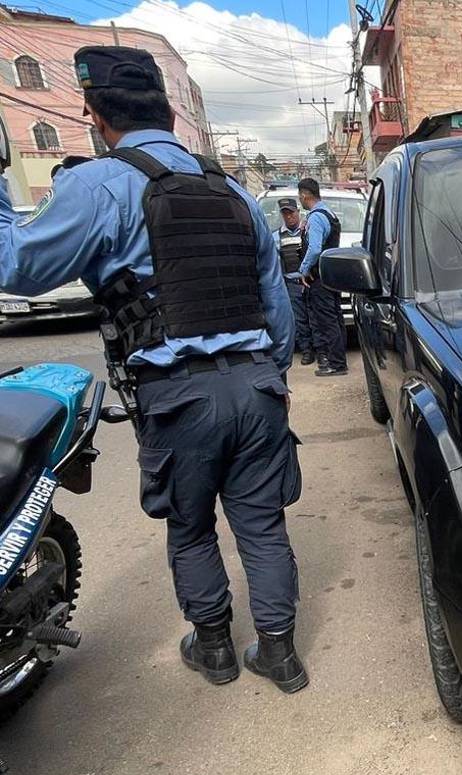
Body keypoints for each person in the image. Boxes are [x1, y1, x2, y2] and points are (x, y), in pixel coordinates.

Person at [0, 46, 309, 693]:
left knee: (192, 528)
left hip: (180, 397)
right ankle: (279, 654)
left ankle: (217, 650)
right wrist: (265, 381)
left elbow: (17, 268)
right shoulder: (232, 192)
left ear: (93, 115)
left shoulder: (96, 186)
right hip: (257, 386)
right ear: (170, 112)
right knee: (262, 524)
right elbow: (279, 312)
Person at [297, 177, 348, 376]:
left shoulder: (316, 217)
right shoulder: (329, 213)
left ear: (304, 194)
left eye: (299, 195)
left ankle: (336, 364)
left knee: (327, 320)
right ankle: (339, 360)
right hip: (331, 274)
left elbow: (315, 248)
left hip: (319, 276)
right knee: (336, 318)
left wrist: (304, 269)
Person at [277, 198, 315, 365]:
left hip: (312, 280)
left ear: (298, 212)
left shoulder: (307, 230)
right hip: (292, 283)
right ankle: (307, 350)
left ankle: (321, 350)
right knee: (299, 319)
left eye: (291, 213)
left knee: (315, 317)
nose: (289, 217)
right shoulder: (276, 236)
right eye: (285, 214)